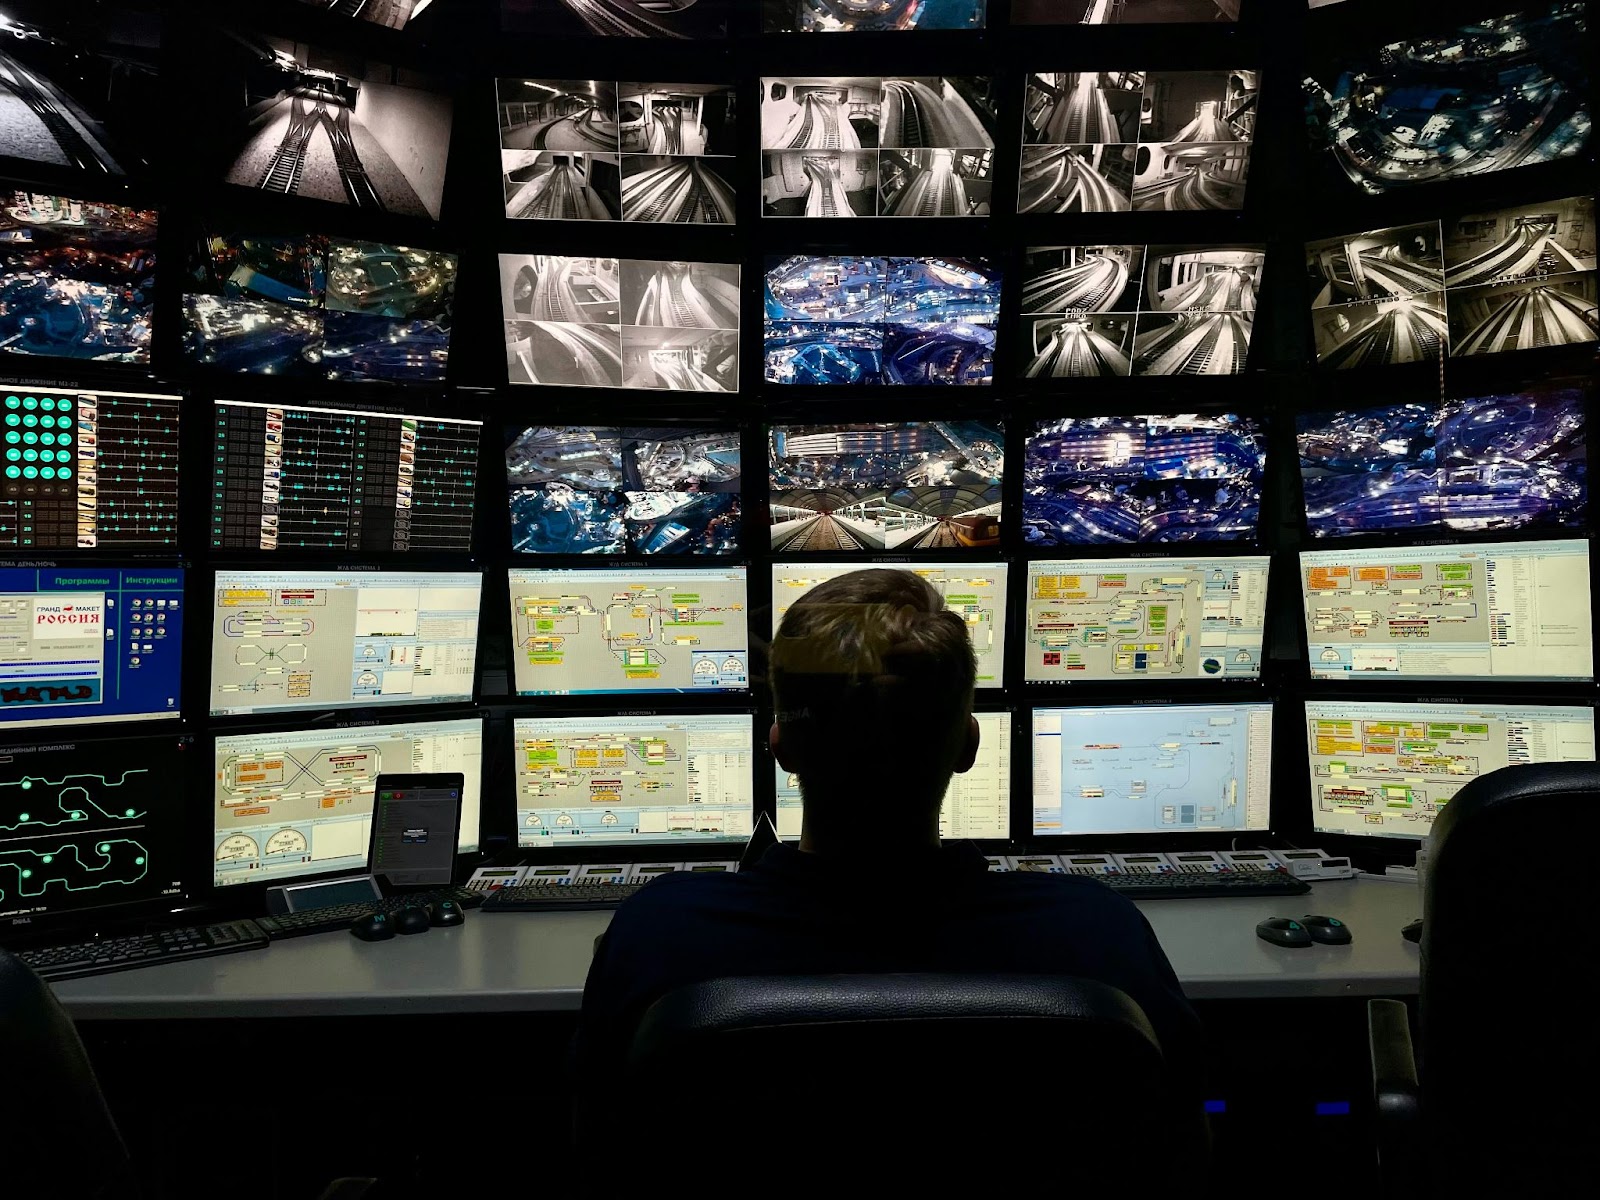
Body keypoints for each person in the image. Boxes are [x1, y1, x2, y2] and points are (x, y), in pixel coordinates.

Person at [575, 567, 1203, 1089]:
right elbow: (1179, 1149)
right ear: (969, 743)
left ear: (779, 745)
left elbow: (598, 1150)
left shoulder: (658, 932)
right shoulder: (1098, 935)